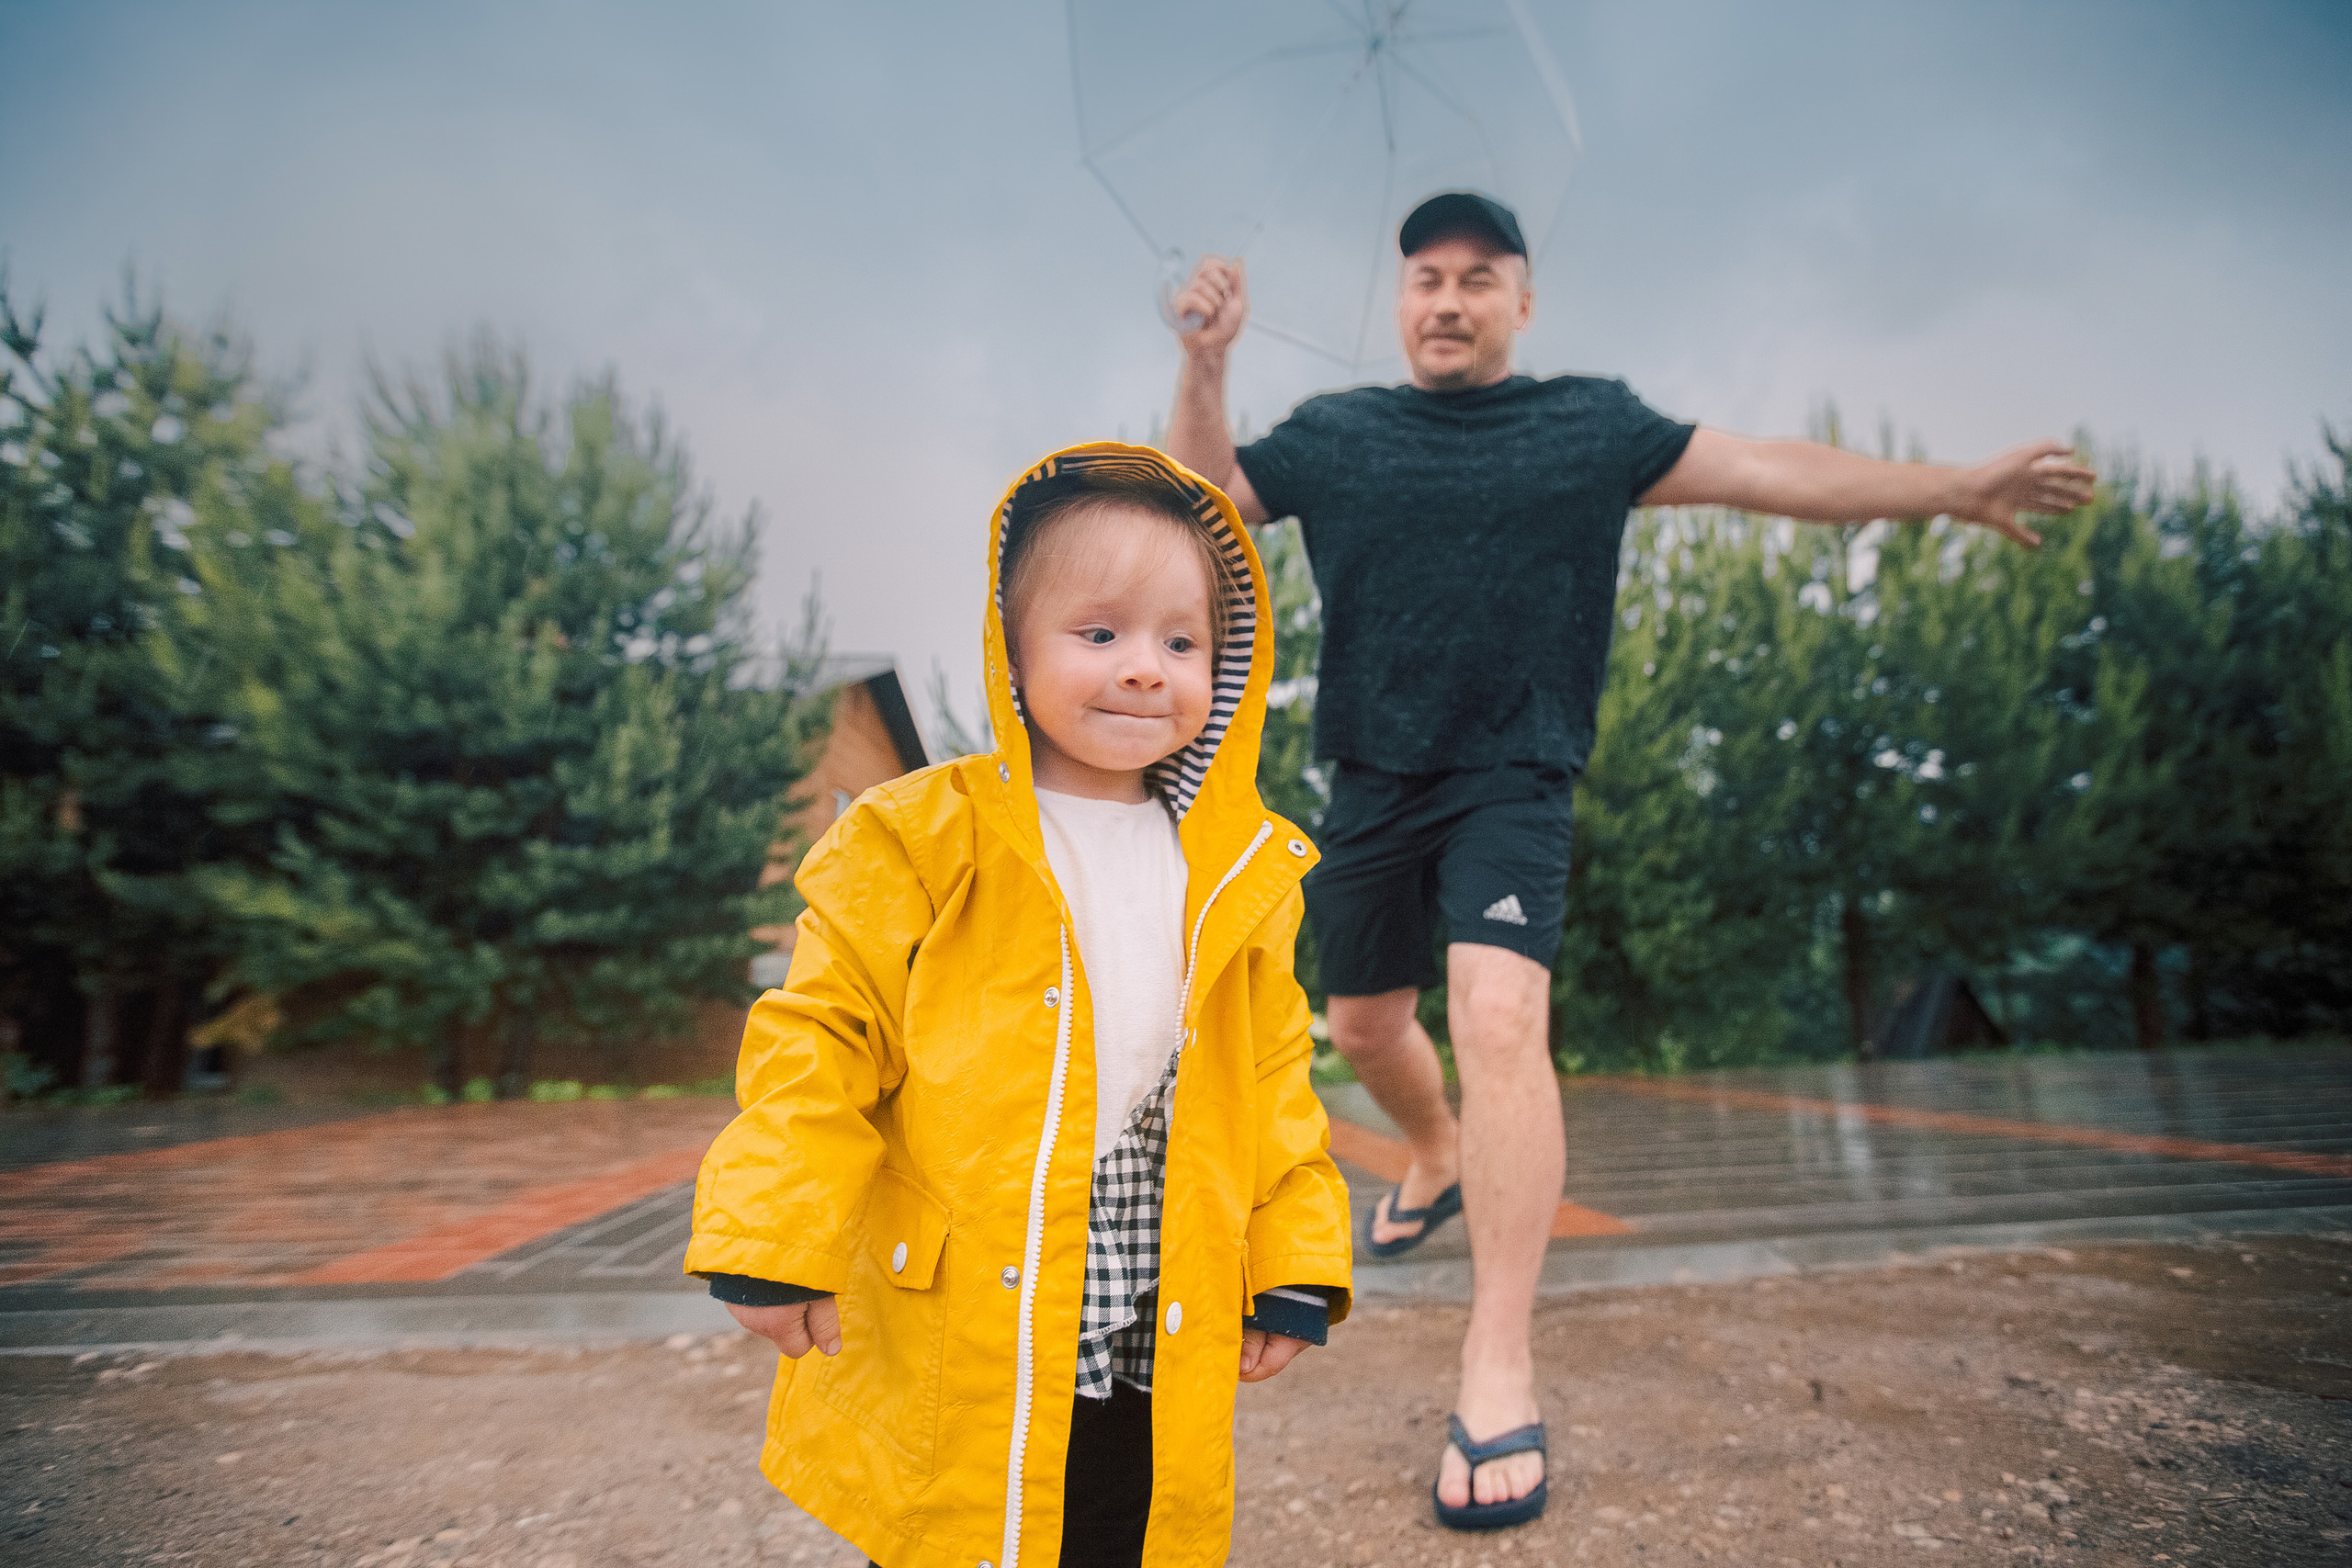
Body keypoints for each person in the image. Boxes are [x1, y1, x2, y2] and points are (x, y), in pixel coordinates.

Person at [1162, 190, 2098, 1531]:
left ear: (1521, 302)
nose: (1446, 299)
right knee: (1363, 1024)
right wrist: (1205, 364)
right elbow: (1196, 510)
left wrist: (1952, 487)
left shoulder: (1589, 424)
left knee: (1499, 1011)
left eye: (1478, 278)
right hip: (1372, 777)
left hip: (1517, 775)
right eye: (1424, 277)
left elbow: (1775, 469)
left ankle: (1496, 1356)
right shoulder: (1341, 436)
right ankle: (1428, 1146)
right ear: (1400, 299)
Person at [685, 443, 1353, 1568]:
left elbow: (1274, 1078)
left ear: (1225, 666)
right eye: (1099, 634)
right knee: (961, 1525)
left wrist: (1291, 1256)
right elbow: (821, 1035)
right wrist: (773, 1227)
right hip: (973, 1318)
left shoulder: (1236, 871)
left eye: (1180, 642)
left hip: (1150, 1312)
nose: (1144, 668)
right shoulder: (917, 837)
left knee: (1118, 1526)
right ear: (1011, 649)